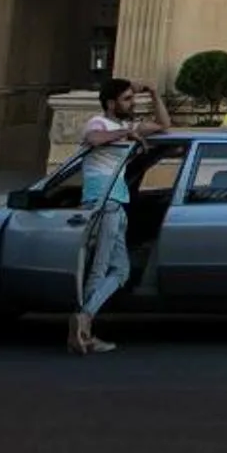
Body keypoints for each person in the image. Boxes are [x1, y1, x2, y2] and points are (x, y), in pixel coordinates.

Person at [70, 77, 167, 356]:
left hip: (117, 204)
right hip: (102, 203)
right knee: (100, 268)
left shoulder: (127, 127)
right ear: (111, 104)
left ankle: (84, 320)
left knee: (120, 270)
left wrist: (153, 92)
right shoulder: (98, 123)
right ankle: (84, 326)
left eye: (131, 98)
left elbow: (163, 125)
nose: (132, 103)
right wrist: (126, 134)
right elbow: (93, 139)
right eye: (126, 99)